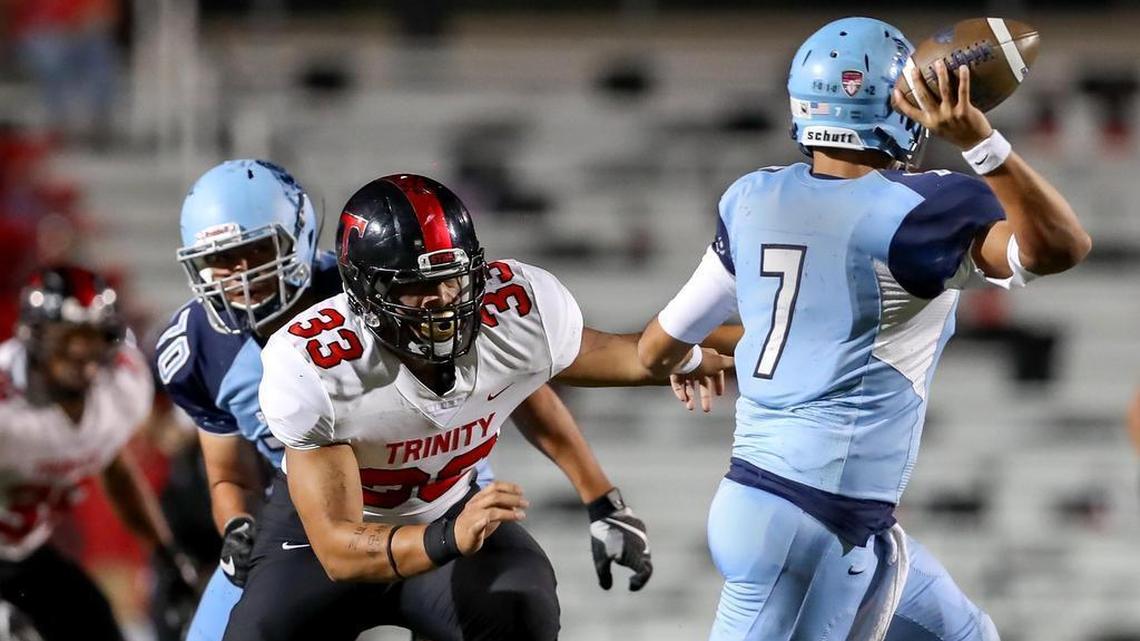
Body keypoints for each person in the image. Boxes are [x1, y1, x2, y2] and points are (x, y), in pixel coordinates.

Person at [637, 16, 1091, 641]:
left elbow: (657, 347)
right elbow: (1062, 247)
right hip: (810, 526)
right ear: (898, 103)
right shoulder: (926, 208)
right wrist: (983, 142)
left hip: (811, 516)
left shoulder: (751, 197)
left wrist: (690, 362)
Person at [159, 160, 664, 641]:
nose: (241, 276)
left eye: (257, 252)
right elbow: (229, 472)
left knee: (516, 605)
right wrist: (236, 526)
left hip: (441, 490)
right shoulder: (199, 349)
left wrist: (600, 496)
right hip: (312, 515)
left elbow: (514, 383)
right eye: (221, 261)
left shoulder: (395, 283)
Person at [0, 265, 196, 641]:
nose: (81, 350)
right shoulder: (8, 411)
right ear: (35, 335)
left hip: (24, 552)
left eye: (93, 335)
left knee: (94, 624)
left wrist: (164, 553)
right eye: (68, 336)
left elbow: (115, 466)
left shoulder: (120, 385)